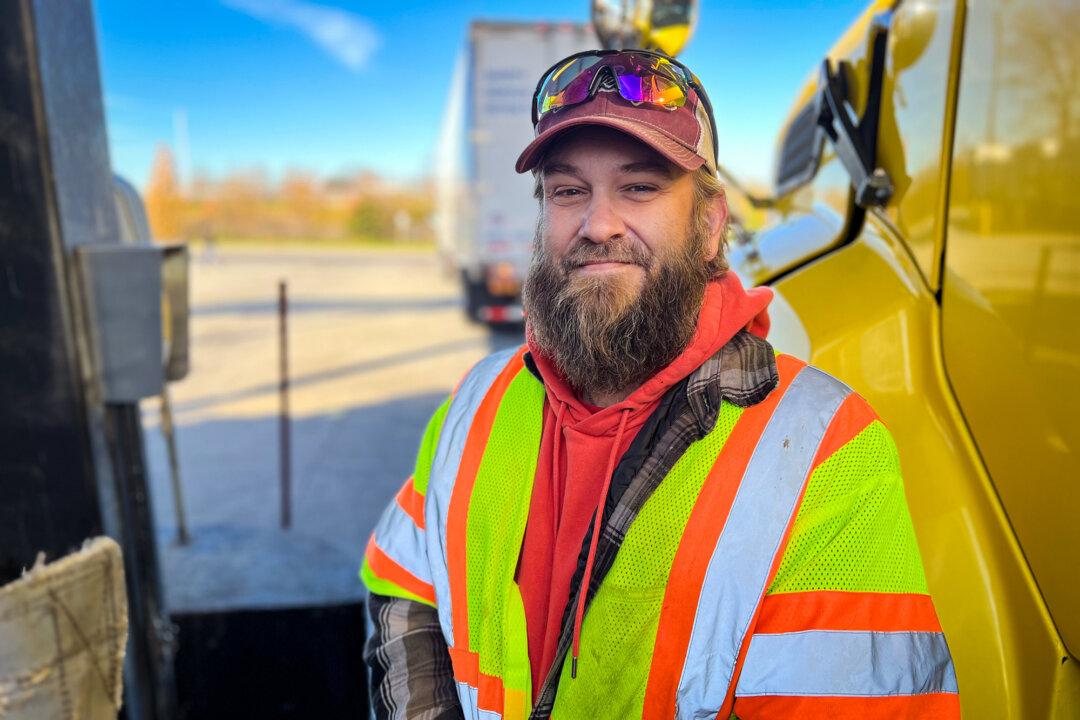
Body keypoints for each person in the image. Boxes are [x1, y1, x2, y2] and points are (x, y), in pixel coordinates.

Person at [360, 49, 959, 719]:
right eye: (568, 191)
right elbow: (403, 587)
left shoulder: (826, 450)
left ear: (709, 224)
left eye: (639, 187)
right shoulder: (478, 398)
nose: (598, 223)